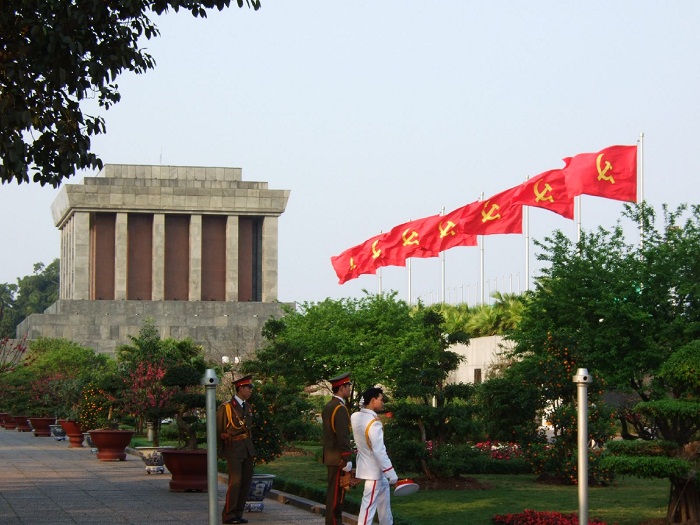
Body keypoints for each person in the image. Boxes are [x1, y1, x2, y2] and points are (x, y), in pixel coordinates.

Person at [350, 387, 398, 525]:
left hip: (368, 466)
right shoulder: (374, 423)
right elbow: (379, 450)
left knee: (384, 506)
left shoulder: (356, 417)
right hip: (374, 471)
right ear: (372, 400)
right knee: (368, 506)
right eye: (381, 399)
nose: (383, 402)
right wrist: (391, 472)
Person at [217, 374, 256, 524]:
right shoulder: (226, 407)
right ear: (240, 388)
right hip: (233, 449)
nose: (251, 390)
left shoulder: (248, 407)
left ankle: (238, 513)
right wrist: (221, 451)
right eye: (248, 387)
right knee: (235, 482)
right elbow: (219, 430)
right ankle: (229, 514)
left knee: (246, 482)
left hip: (246, 448)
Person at [322, 372, 354, 525]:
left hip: (331, 455)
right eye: (348, 386)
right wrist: (347, 457)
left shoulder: (329, 405)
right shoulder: (339, 408)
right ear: (342, 387)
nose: (349, 389)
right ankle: (334, 522)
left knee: (333, 493)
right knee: (337, 495)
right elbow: (342, 436)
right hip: (338, 457)